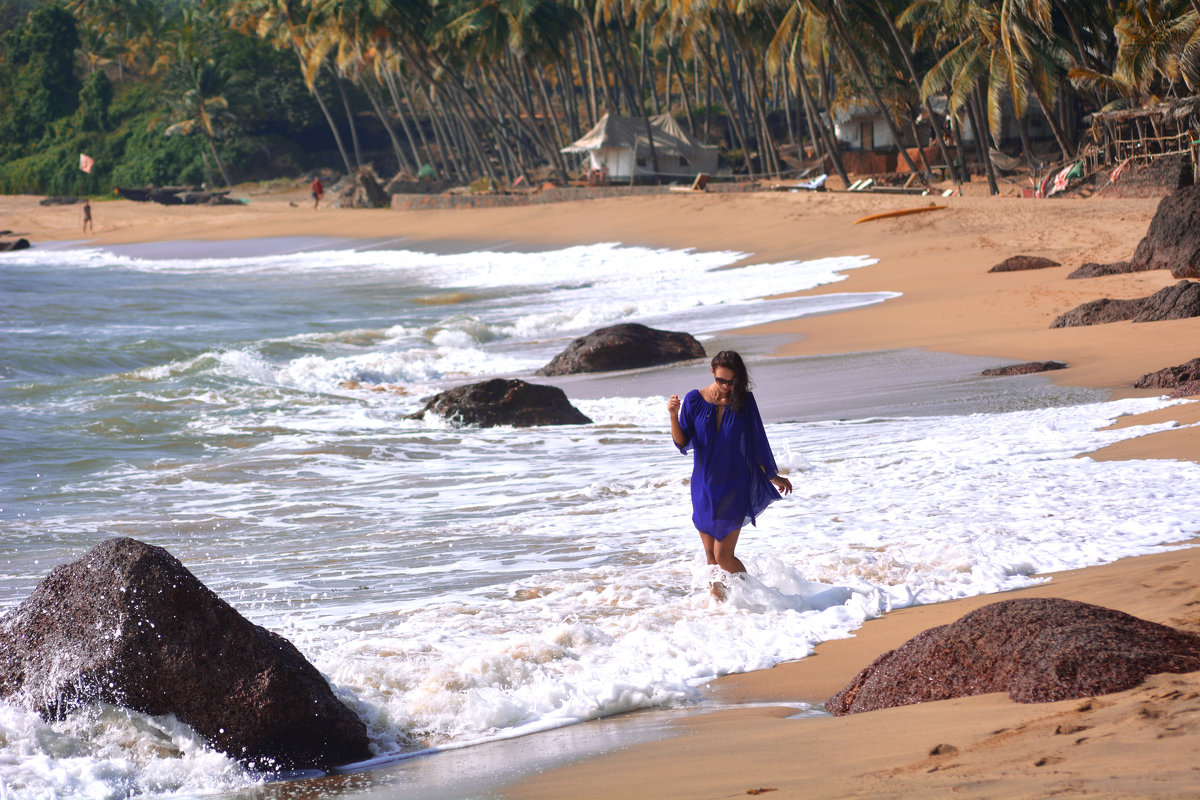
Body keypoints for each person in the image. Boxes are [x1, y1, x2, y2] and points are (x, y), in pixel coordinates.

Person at [668, 350, 792, 598]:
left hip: (735, 484)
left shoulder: (744, 401)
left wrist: (773, 476)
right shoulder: (694, 400)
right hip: (704, 486)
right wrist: (673, 415)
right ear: (712, 372)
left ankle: (761, 598)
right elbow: (682, 442)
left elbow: (758, 442)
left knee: (723, 555)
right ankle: (720, 606)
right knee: (710, 557)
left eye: (731, 381)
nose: (726, 386)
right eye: (721, 380)